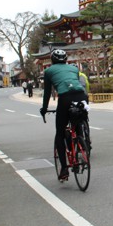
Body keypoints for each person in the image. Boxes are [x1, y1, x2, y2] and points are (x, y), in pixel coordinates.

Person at [40, 49, 88, 181]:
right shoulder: (74, 69)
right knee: (77, 121)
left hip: (65, 98)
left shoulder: (49, 71)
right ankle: (82, 144)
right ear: (66, 59)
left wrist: (44, 109)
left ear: (52, 60)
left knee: (60, 134)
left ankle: (64, 169)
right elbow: (75, 84)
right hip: (82, 96)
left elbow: (47, 92)